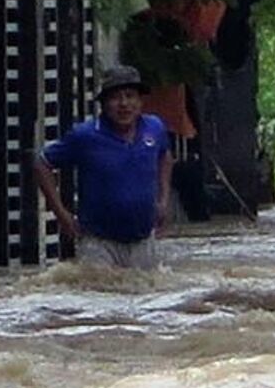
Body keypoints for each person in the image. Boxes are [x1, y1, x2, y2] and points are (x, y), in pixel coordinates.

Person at [32, 64, 171, 270]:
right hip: (98, 243)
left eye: (130, 96)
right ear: (104, 104)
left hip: (143, 239)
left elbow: (165, 155)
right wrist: (61, 214)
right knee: (101, 296)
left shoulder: (155, 128)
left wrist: (163, 199)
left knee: (148, 296)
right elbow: (42, 164)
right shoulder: (85, 136)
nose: (124, 104)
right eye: (115, 98)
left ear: (140, 101)